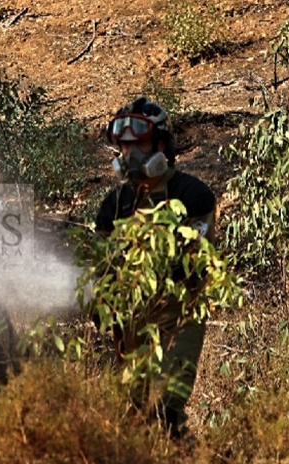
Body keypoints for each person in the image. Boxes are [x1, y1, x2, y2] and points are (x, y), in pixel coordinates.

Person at [91, 97, 216, 437]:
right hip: (130, 325)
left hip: (178, 318)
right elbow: (100, 265)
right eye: (124, 146)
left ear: (161, 144)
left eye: (140, 144)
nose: (130, 154)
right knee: (133, 416)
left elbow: (196, 261)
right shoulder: (115, 203)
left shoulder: (192, 195)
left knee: (165, 410)